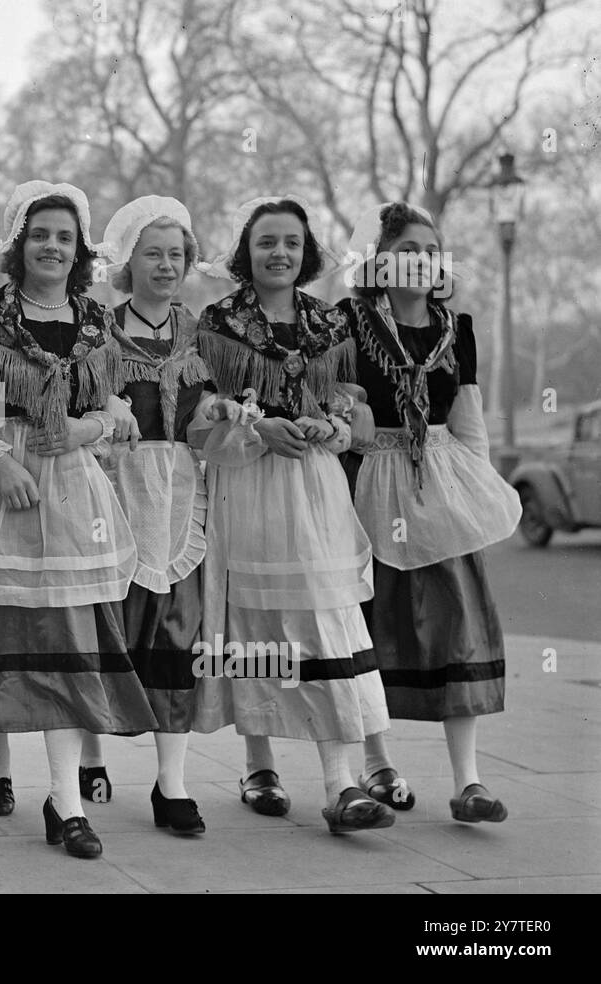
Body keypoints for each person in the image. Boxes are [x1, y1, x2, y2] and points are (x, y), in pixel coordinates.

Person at [0, 180, 155, 860]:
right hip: (6, 487)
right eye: (40, 234)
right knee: (4, 635)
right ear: (18, 244)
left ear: (79, 249)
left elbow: (121, 415)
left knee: (68, 642)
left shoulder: (95, 323)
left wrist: (85, 430)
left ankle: (66, 800)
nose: (52, 246)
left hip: (74, 491)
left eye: (64, 236)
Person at [190, 195, 394, 835]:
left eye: (292, 243)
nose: (279, 253)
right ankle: (259, 765)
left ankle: (342, 784)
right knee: (255, 625)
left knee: (327, 619)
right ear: (246, 252)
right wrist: (255, 428)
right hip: (248, 485)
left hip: (314, 487)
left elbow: (353, 414)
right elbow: (199, 415)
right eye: (266, 241)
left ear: (307, 255)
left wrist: (328, 422)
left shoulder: (332, 325)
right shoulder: (216, 324)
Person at [338, 202, 520, 822]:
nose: (421, 260)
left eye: (430, 249)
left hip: (441, 485)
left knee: (458, 621)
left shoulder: (455, 329)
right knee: (371, 621)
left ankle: (468, 780)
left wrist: (476, 496)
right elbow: (338, 411)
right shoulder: (346, 325)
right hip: (368, 483)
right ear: (377, 260)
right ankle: (377, 761)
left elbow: (467, 422)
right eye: (407, 248)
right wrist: (352, 432)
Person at [81, 196, 217, 834]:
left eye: (176, 254)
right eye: (152, 254)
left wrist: (222, 415)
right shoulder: (97, 332)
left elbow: (218, 411)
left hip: (182, 491)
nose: (166, 266)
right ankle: (91, 751)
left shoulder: (206, 337)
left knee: (177, 631)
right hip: (114, 485)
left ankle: (172, 781)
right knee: (108, 621)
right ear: (126, 262)